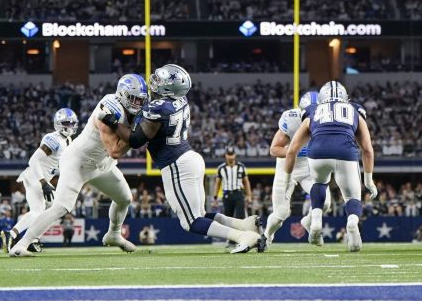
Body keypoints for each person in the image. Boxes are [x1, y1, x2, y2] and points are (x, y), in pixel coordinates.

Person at [109, 65, 264, 252]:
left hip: (176, 164)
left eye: (160, 80)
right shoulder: (181, 100)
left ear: (169, 88)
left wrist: (114, 122)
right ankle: (244, 225)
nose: (155, 82)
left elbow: (135, 140)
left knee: (190, 222)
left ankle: (243, 236)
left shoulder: (157, 108)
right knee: (200, 214)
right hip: (190, 158)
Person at [9, 75, 140, 256]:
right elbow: (115, 151)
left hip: (101, 165)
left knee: (125, 198)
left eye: (141, 99)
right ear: (123, 94)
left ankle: (114, 234)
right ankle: (21, 244)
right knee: (61, 207)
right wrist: (136, 137)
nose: (138, 103)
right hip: (78, 161)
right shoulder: (109, 107)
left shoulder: (133, 112)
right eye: (134, 99)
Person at [284, 81, 377, 252]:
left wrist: (288, 179)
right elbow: (368, 150)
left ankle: (317, 217)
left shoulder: (312, 110)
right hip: (345, 152)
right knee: (352, 196)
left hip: (317, 152)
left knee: (319, 183)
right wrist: (369, 180)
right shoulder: (355, 109)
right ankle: (352, 222)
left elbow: (291, 151)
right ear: (344, 96)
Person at [4, 108, 78, 252]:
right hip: (36, 177)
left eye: (71, 123)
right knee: (40, 211)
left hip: (43, 179)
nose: (69, 126)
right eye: (66, 123)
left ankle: (31, 238)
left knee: (55, 210)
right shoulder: (54, 139)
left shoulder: (67, 140)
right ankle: (13, 234)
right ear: (58, 124)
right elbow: (33, 160)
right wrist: (43, 182)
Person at [263, 92, 332, 246]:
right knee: (281, 213)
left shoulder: (329, 121)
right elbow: (274, 149)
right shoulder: (292, 119)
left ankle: (307, 222)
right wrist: (295, 151)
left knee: (325, 202)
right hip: (287, 167)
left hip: (309, 168)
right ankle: (266, 235)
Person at [214, 147, 251, 222]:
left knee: (240, 216)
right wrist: (215, 197)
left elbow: (246, 182)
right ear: (225, 155)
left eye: (232, 154)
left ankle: (240, 233)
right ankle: (229, 233)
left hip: (238, 193)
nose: (230, 157)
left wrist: (249, 196)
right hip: (227, 194)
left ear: (235, 155)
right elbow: (217, 183)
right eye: (229, 154)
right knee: (228, 218)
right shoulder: (221, 168)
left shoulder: (241, 167)